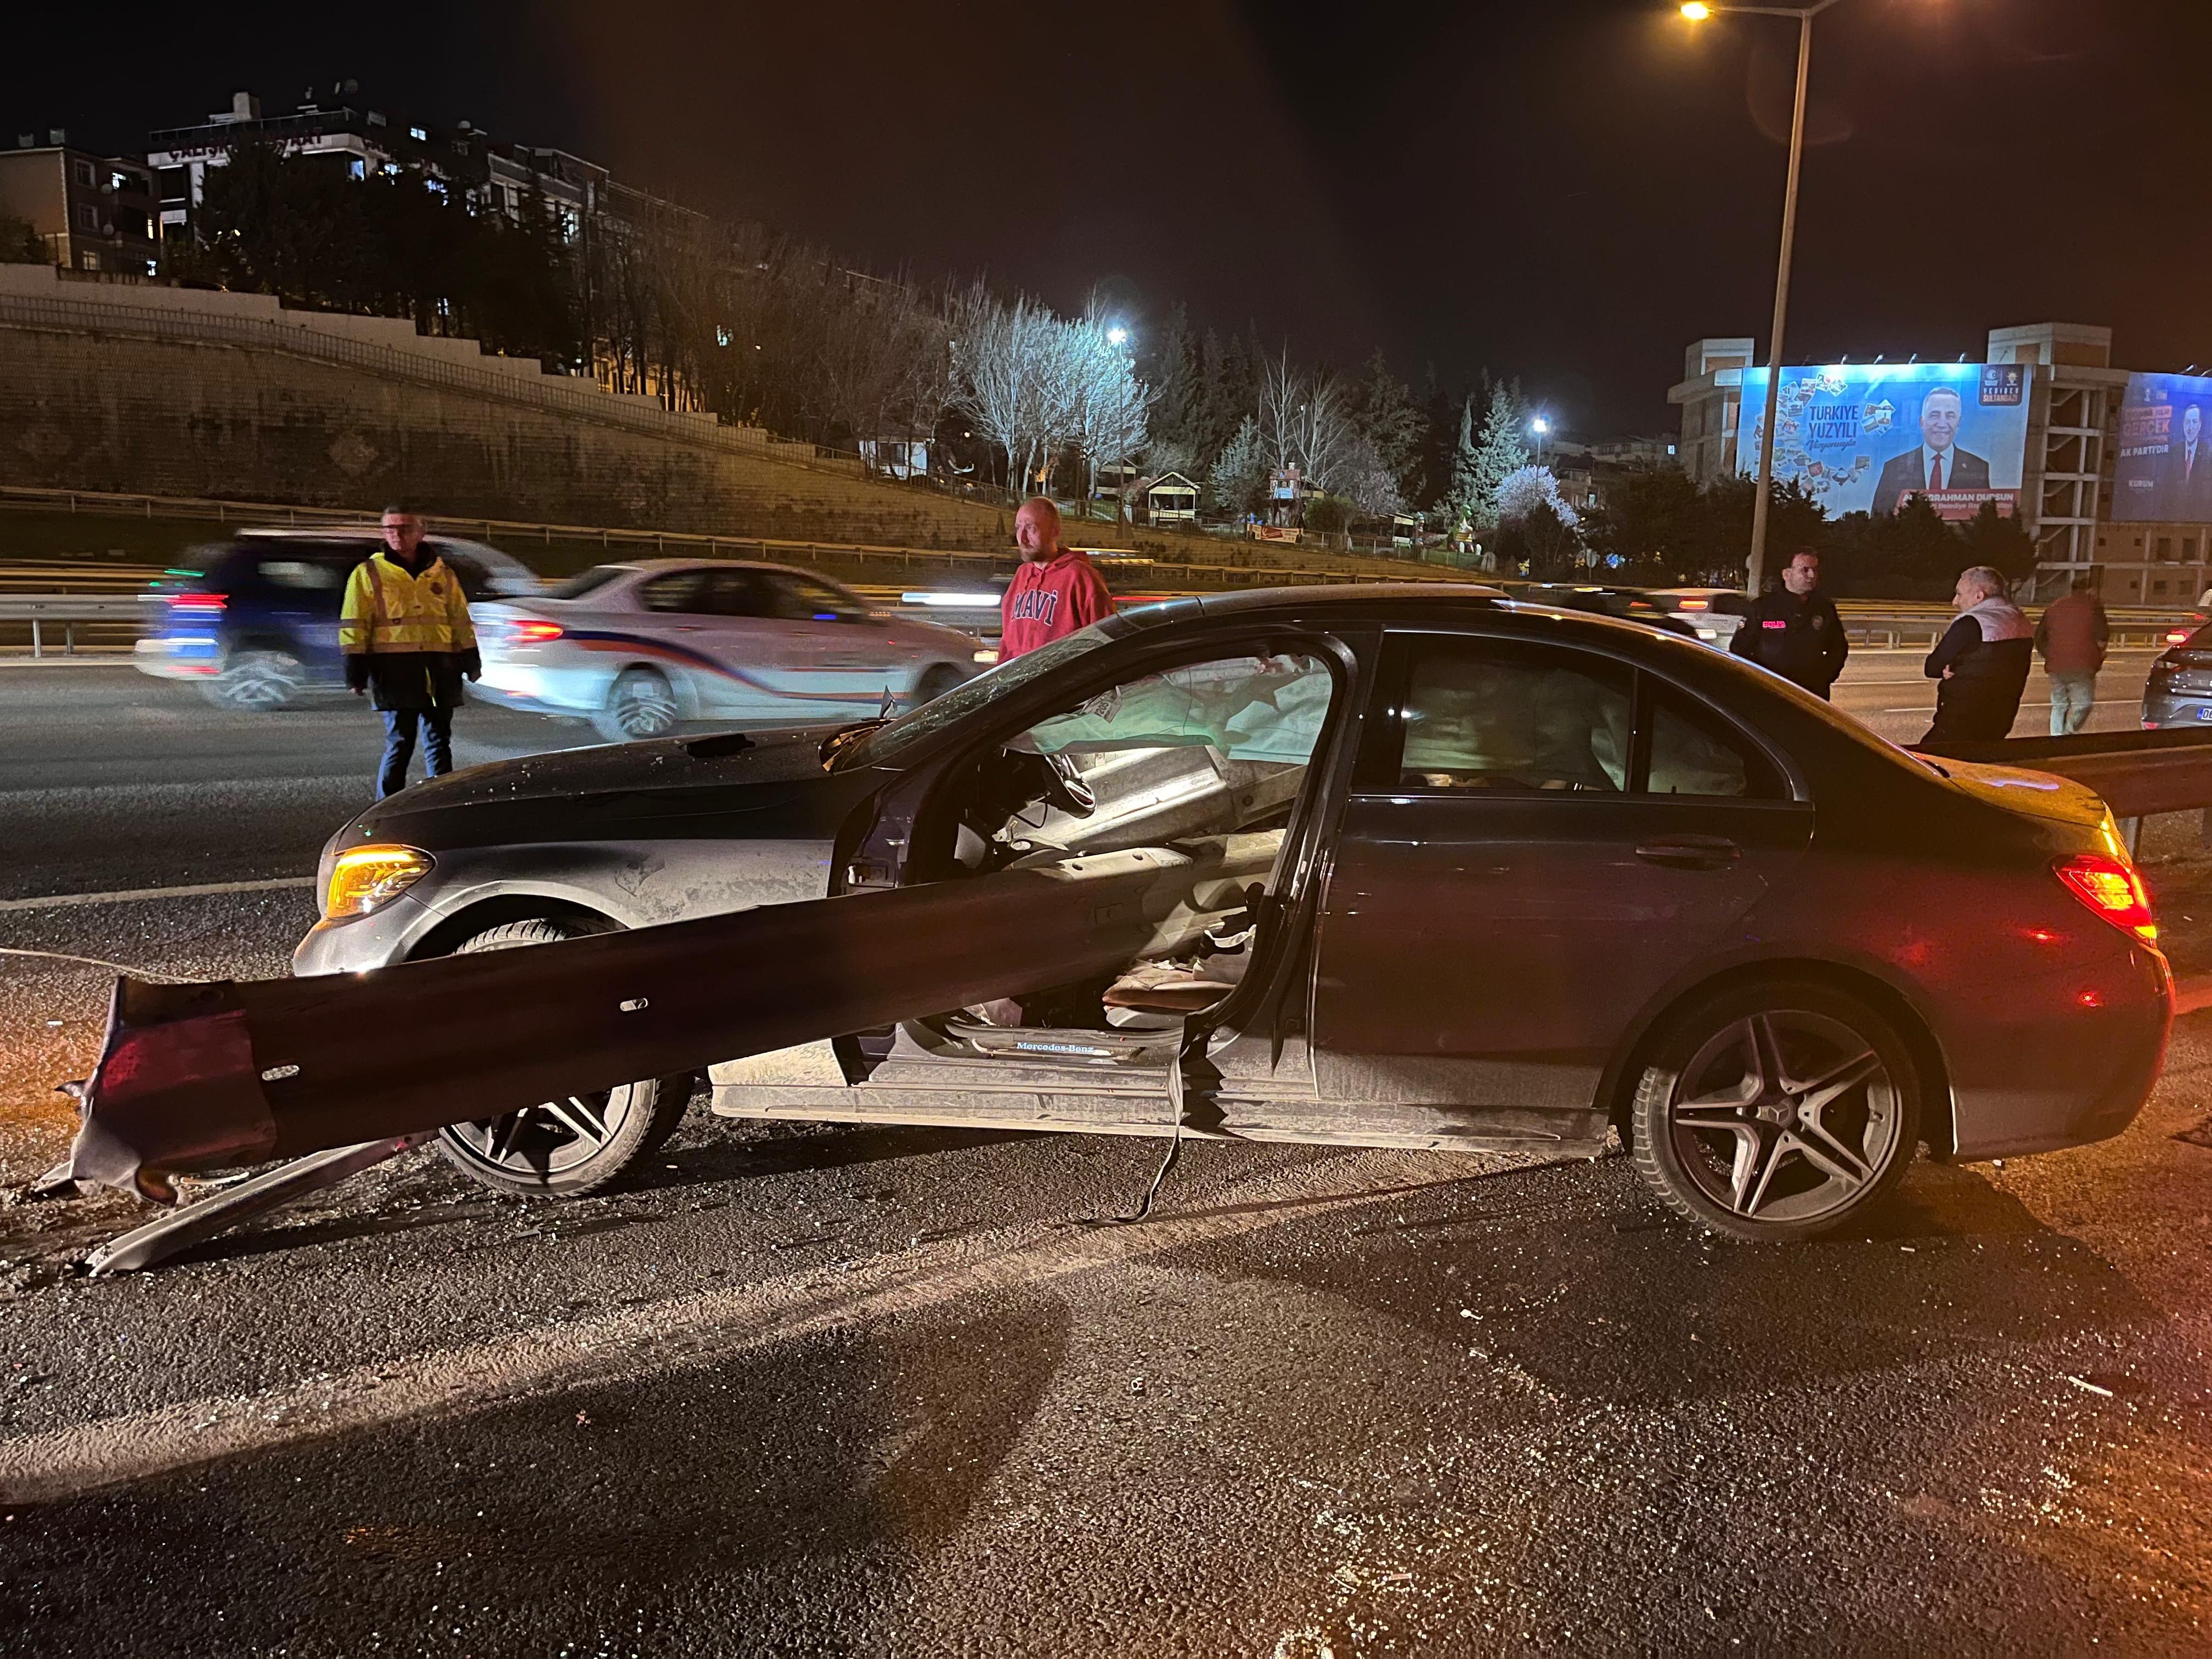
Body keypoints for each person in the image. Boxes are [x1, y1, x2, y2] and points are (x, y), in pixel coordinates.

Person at [341, 506, 480, 798]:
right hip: (395, 670)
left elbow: (459, 620)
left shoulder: (443, 573)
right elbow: (355, 623)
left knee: (439, 742)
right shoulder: (368, 573)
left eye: (404, 528)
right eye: (389, 529)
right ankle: (385, 808)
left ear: (421, 531)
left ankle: (441, 802)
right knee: (400, 742)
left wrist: (471, 659)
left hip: (440, 668)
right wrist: (355, 670)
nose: (396, 534)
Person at [1922, 565, 2033, 744]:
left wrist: (1951, 663)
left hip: (1960, 720)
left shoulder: (1972, 623)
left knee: (1923, 763)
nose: (1955, 602)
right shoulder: (2020, 620)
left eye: (1959, 594)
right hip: (2001, 719)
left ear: (1979, 596)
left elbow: (1932, 667)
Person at [1000, 497, 1113, 659]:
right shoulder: (1021, 575)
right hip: (1022, 684)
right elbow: (1007, 645)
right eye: (1019, 528)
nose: (1022, 538)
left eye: (1030, 528)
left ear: (1055, 531)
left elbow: (1106, 645)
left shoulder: (1081, 578)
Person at [1729, 548, 1849, 698]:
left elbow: (1838, 648)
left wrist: (1824, 677)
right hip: (1769, 694)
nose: (1811, 576)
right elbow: (1740, 649)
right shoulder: (1763, 608)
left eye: (1815, 571)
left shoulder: (1824, 609)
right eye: (1804, 570)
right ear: (1787, 574)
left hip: (1812, 694)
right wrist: (1759, 680)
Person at [1870, 386, 1993, 517]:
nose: (1942, 423)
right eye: (1935, 415)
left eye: (1950, 416)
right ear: (1922, 422)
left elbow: (1985, 519)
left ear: (1959, 422)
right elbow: (1879, 519)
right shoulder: (1894, 468)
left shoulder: (1978, 467)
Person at [2033, 576, 2110, 736]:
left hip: (2056, 666)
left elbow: (2040, 637)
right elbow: (2103, 634)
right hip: (2083, 664)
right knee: (2084, 704)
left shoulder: (2054, 608)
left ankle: (2056, 738)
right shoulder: (2093, 607)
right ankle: (2068, 732)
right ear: (2089, 590)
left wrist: (2050, 655)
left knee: (2059, 705)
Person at [2159, 403, 2212, 520]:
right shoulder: (2174, 452)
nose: (2190, 427)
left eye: (2194, 422)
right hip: (2175, 518)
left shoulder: (2209, 454)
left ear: (2200, 425)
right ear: (2183, 425)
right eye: (2187, 422)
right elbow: (2167, 490)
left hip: (2202, 518)